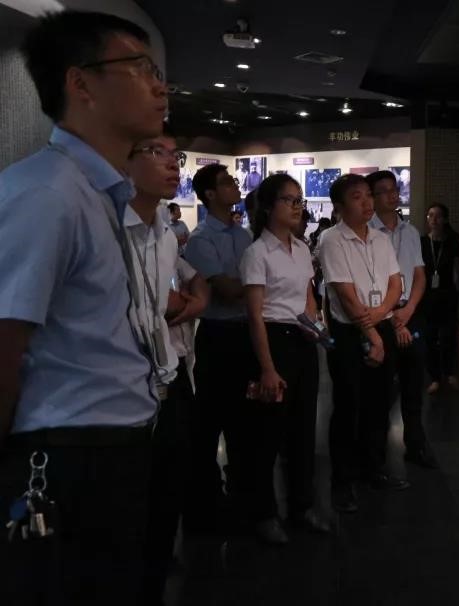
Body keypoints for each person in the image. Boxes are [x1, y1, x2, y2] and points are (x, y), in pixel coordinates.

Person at [0, 11, 166, 605]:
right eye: (141, 68)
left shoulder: (98, 192)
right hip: (69, 457)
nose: (160, 87)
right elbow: (4, 343)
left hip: (113, 451)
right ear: (81, 83)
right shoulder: (48, 192)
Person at [126, 132, 209, 605]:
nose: (173, 164)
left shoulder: (163, 229)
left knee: (166, 497)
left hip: (167, 375)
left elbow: (177, 294)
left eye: (175, 155)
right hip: (123, 389)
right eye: (158, 152)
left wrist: (191, 303)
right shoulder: (104, 225)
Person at [239, 174, 330, 544]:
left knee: (303, 431)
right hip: (272, 342)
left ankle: (302, 506)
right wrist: (267, 368)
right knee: (267, 434)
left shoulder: (302, 248)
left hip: (302, 343)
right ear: (268, 207)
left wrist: (315, 326)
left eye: (299, 200)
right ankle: (263, 514)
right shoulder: (257, 253)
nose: (296, 207)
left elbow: (308, 298)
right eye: (289, 200)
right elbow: (255, 316)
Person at [317, 174, 407, 514]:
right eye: (358, 197)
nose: (368, 202)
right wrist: (372, 334)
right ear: (339, 206)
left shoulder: (381, 239)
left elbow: (396, 284)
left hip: (379, 325)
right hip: (349, 333)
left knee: (379, 403)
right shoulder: (332, 239)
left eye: (369, 195)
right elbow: (345, 294)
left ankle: (374, 468)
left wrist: (380, 316)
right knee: (348, 406)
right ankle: (343, 481)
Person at [182, 162, 250, 536]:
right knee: (211, 419)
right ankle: (207, 498)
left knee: (243, 417)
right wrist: (261, 284)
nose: (234, 185)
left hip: (245, 332)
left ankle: (240, 489)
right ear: (209, 194)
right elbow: (227, 289)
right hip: (218, 335)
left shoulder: (244, 234)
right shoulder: (201, 239)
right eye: (226, 182)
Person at [368, 171, 437, 469]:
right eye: (383, 190)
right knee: (382, 390)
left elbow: (420, 275)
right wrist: (394, 320)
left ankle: (416, 445)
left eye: (394, 188)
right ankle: (375, 454)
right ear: (372, 197)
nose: (392, 194)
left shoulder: (410, 231)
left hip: (410, 312)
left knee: (413, 383)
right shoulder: (367, 233)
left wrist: (408, 313)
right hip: (381, 316)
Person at [421, 204, 459, 394]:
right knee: (429, 337)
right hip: (427, 296)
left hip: (448, 294)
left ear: (445, 220)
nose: (433, 219)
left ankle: (450, 373)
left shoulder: (452, 242)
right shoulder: (422, 242)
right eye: (430, 215)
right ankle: (434, 377)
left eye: (438, 216)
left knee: (448, 335)